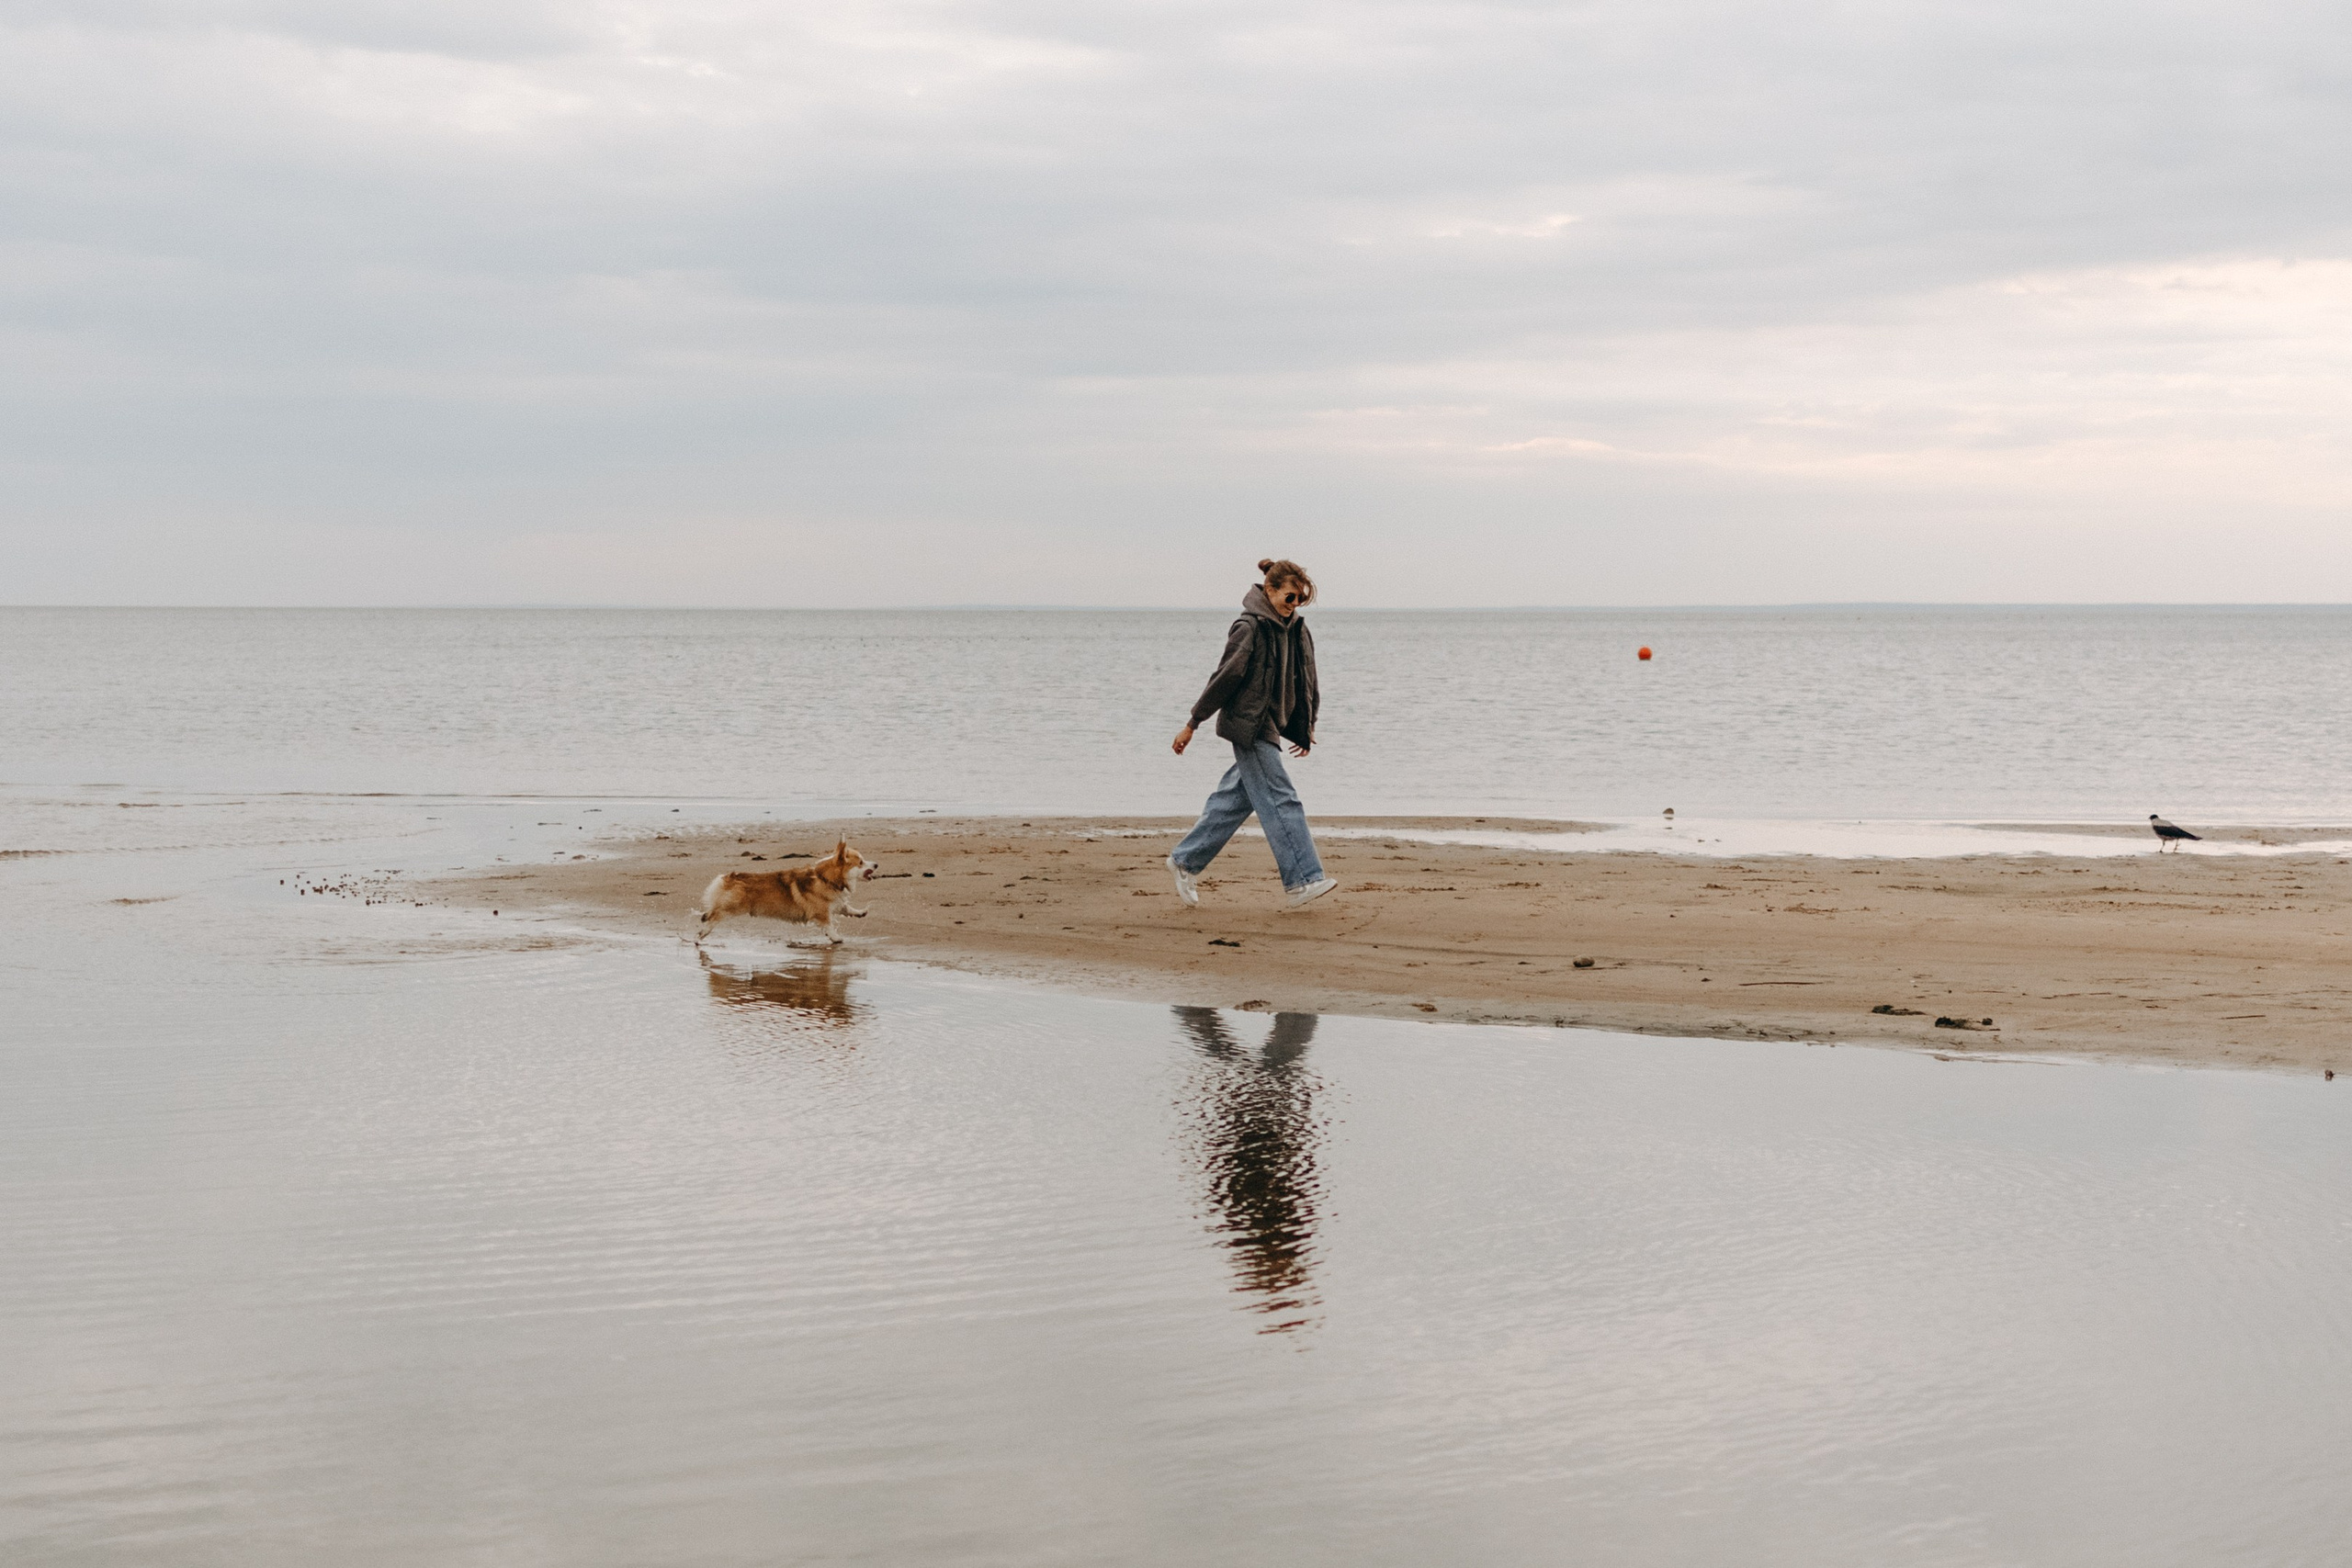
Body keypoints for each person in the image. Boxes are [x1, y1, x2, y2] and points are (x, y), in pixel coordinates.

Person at [1167, 559, 1340, 910]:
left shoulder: (1297, 630)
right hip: (1248, 725)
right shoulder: (1248, 628)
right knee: (1281, 797)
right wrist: (1193, 723)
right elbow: (1224, 679)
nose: (1294, 605)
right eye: (1290, 597)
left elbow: (1308, 681)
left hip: (1272, 724)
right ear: (1270, 590)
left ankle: (1185, 860)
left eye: (1300, 600)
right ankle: (1302, 880)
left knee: (1234, 800)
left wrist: (1307, 728)